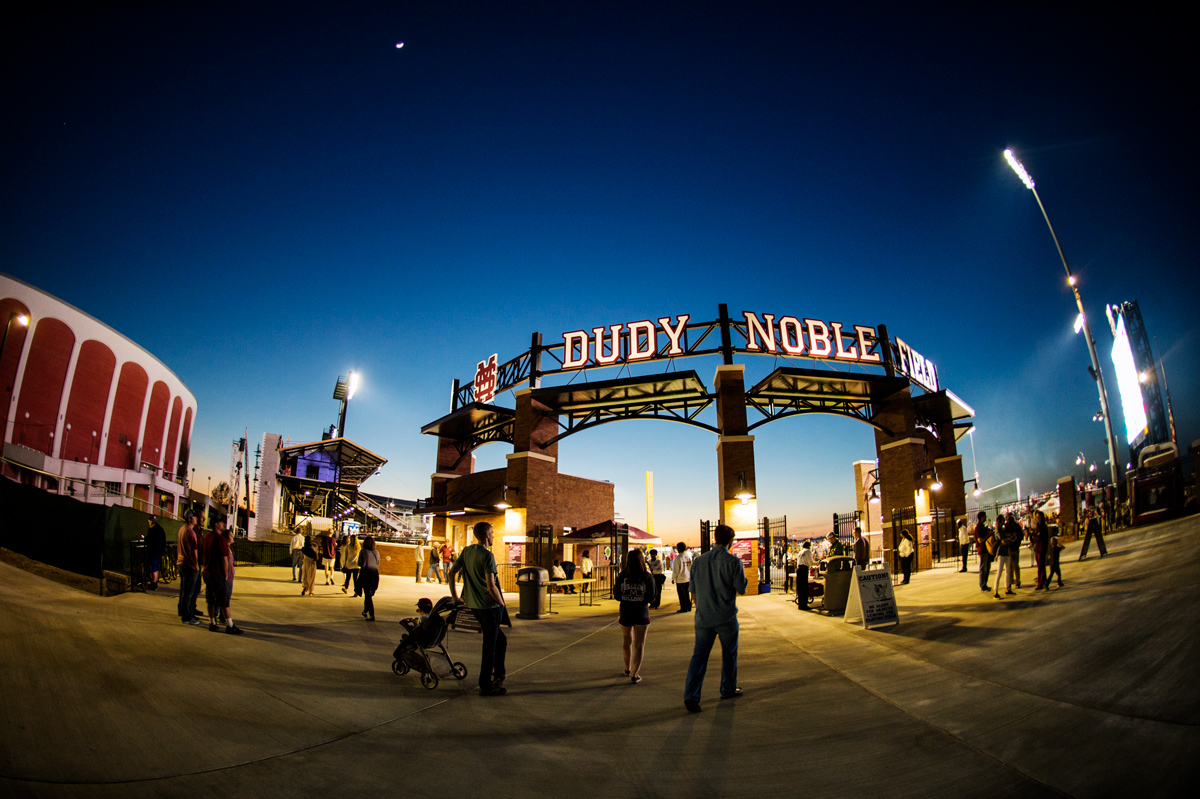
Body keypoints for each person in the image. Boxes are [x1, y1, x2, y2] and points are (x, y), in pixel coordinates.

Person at [684, 524, 748, 712]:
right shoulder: (733, 562)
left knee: (699, 657)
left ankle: (691, 695)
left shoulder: (699, 561)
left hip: (703, 617)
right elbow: (741, 589)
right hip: (726, 616)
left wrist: (702, 608)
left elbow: (693, 593)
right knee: (729, 655)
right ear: (730, 541)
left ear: (714, 537)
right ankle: (728, 688)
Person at [449, 522, 508, 696]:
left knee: (501, 640)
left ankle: (499, 675)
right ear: (486, 535)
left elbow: (452, 573)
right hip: (489, 607)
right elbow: (491, 586)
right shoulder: (487, 556)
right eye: (492, 533)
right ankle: (486, 685)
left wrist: (455, 597)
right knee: (490, 645)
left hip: (474, 606)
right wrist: (501, 603)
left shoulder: (467, 551)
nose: (493, 536)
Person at [615, 548, 657, 683]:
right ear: (642, 560)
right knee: (639, 644)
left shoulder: (622, 576)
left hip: (625, 612)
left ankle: (627, 668)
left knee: (626, 642)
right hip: (641, 613)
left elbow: (616, 595)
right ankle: (635, 673)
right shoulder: (647, 576)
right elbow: (652, 596)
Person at [176, 510, 203, 625]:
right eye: (194, 517)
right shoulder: (190, 532)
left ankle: (182, 611)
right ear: (189, 519)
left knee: (184, 590)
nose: (196, 519)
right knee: (189, 592)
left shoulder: (182, 530)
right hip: (189, 565)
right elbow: (193, 551)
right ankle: (187, 617)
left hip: (181, 563)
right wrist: (196, 565)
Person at [993, 515, 1019, 598]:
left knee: (1008, 571)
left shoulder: (1003, 528)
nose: (1004, 521)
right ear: (999, 520)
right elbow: (1002, 538)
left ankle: (1007, 588)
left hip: (1007, 550)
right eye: (1003, 520)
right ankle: (995, 591)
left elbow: (1009, 538)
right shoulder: (998, 529)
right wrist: (1009, 538)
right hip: (1001, 552)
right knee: (999, 572)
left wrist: (1009, 538)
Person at [358, 535, 380, 621]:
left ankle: (371, 614)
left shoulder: (363, 551)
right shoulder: (376, 552)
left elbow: (359, 563)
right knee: (369, 594)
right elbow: (378, 564)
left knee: (368, 595)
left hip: (366, 573)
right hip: (374, 574)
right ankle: (365, 611)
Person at [145, 517, 167, 591]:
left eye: (149, 521)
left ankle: (154, 584)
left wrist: (145, 539)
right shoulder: (161, 529)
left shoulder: (152, 529)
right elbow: (164, 541)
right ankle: (156, 583)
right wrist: (162, 552)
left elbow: (148, 540)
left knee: (153, 568)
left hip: (153, 551)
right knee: (156, 568)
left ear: (151, 521)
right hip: (159, 552)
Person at [975, 511, 993, 592]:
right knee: (983, 568)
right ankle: (982, 584)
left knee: (987, 567)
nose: (986, 517)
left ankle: (985, 583)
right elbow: (980, 540)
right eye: (984, 516)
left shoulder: (982, 527)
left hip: (987, 549)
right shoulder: (978, 528)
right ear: (981, 517)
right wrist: (988, 534)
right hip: (982, 550)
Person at [671, 542, 692, 613]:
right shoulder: (688, 556)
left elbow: (676, 569)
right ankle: (689, 606)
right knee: (687, 593)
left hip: (681, 579)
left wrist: (674, 578)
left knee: (681, 594)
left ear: (678, 549)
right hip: (688, 578)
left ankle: (684, 607)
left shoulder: (678, 558)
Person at [1033, 510, 1050, 590]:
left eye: (1038, 517)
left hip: (1041, 548)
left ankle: (1041, 582)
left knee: (1041, 566)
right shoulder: (1038, 526)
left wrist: (1036, 536)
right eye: (1036, 517)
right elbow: (1034, 537)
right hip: (1038, 548)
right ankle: (1043, 580)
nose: (1037, 518)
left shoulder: (1043, 526)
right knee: (1040, 566)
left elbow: (1039, 537)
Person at [797, 540, 814, 608]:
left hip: (799, 569)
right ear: (808, 546)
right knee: (804, 587)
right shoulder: (808, 552)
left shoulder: (800, 552)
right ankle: (804, 604)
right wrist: (817, 563)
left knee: (800, 587)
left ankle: (800, 604)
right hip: (804, 569)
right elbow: (810, 562)